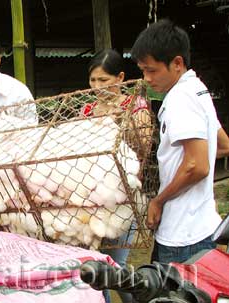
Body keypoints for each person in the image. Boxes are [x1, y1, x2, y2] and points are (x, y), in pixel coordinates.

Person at [131, 19, 229, 264]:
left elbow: (197, 166)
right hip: (203, 225)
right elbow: (223, 144)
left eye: (152, 70)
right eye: (143, 70)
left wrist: (158, 200)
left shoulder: (180, 99)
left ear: (177, 63)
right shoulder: (198, 88)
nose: (146, 78)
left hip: (183, 235)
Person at [85, 49, 151, 303]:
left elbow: (143, 146)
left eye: (104, 80)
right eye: (93, 80)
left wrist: (119, 123)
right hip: (92, 198)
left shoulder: (134, 106)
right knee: (95, 268)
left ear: (120, 77)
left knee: (116, 268)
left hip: (124, 199)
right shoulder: (88, 109)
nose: (97, 86)